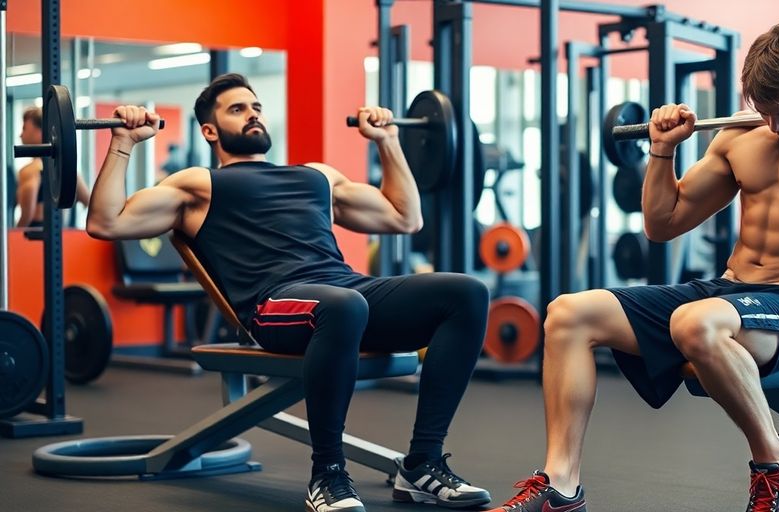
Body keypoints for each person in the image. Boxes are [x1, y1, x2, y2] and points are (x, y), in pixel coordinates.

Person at [487, 21, 779, 512]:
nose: (776, 126)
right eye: (763, 112)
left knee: (695, 322)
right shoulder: (740, 134)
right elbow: (663, 224)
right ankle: (561, 483)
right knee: (568, 314)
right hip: (729, 293)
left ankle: (777, 461)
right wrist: (661, 152)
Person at [86, 73, 492, 512]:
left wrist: (387, 140)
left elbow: (405, 218)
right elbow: (106, 223)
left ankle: (422, 464)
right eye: (237, 109)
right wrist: (124, 142)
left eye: (255, 107)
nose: (253, 115)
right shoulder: (198, 184)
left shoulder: (316, 176)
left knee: (466, 292)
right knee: (342, 306)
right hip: (276, 305)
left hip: (347, 292)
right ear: (209, 131)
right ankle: (328, 474)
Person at [16, 107, 90, 227]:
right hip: (62, 233)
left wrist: (13, 239)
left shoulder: (29, 171)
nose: (20, 135)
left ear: (40, 131)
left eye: (24, 128)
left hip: (35, 234)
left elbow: (27, 215)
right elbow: (89, 201)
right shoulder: (67, 168)